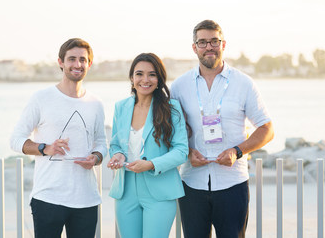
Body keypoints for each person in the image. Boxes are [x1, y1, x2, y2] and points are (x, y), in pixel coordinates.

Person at [170, 20, 274, 238]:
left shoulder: (244, 83)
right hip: (192, 183)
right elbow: (169, 131)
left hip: (232, 183)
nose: (209, 47)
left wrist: (237, 152)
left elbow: (266, 128)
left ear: (223, 44)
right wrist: (187, 153)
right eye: (203, 42)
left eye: (214, 41)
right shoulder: (179, 86)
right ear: (194, 47)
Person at [10, 38, 107, 238]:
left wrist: (96, 157)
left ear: (89, 64)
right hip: (48, 198)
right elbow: (16, 139)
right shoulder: (41, 98)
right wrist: (45, 148)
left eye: (82, 59)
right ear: (60, 62)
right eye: (72, 59)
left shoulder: (96, 103)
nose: (77, 64)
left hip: (86, 200)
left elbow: (101, 143)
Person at [107, 53, 188, 238]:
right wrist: (118, 154)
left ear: (159, 79)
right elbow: (115, 144)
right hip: (125, 190)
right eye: (139, 74)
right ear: (132, 78)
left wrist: (151, 164)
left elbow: (181, 151)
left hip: (159, 191)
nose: (145, 79)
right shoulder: (121, 107)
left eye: (152, 74)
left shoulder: (171, 108)